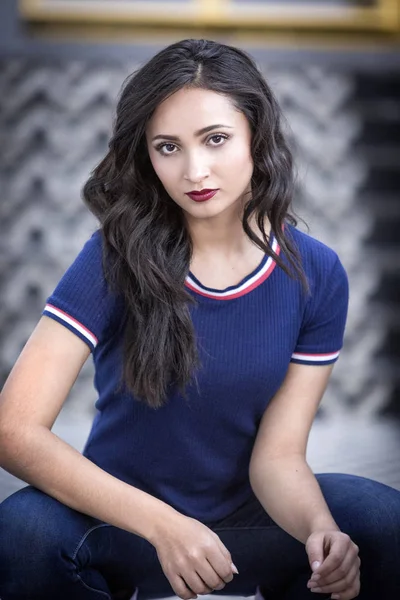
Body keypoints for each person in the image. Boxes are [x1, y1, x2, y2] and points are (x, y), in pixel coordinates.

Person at [0, 38, 399, 600]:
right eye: (168, 147)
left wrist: (319, 531)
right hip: (122, 525)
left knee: (381, 521)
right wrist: (165, 525)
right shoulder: (114, 257)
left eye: (215, 139)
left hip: (245, 527)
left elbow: (279, 457)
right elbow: (13, 429)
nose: (195, 170)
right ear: (147, 156)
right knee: (20, 534)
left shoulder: (317, 273)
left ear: (256, 136)